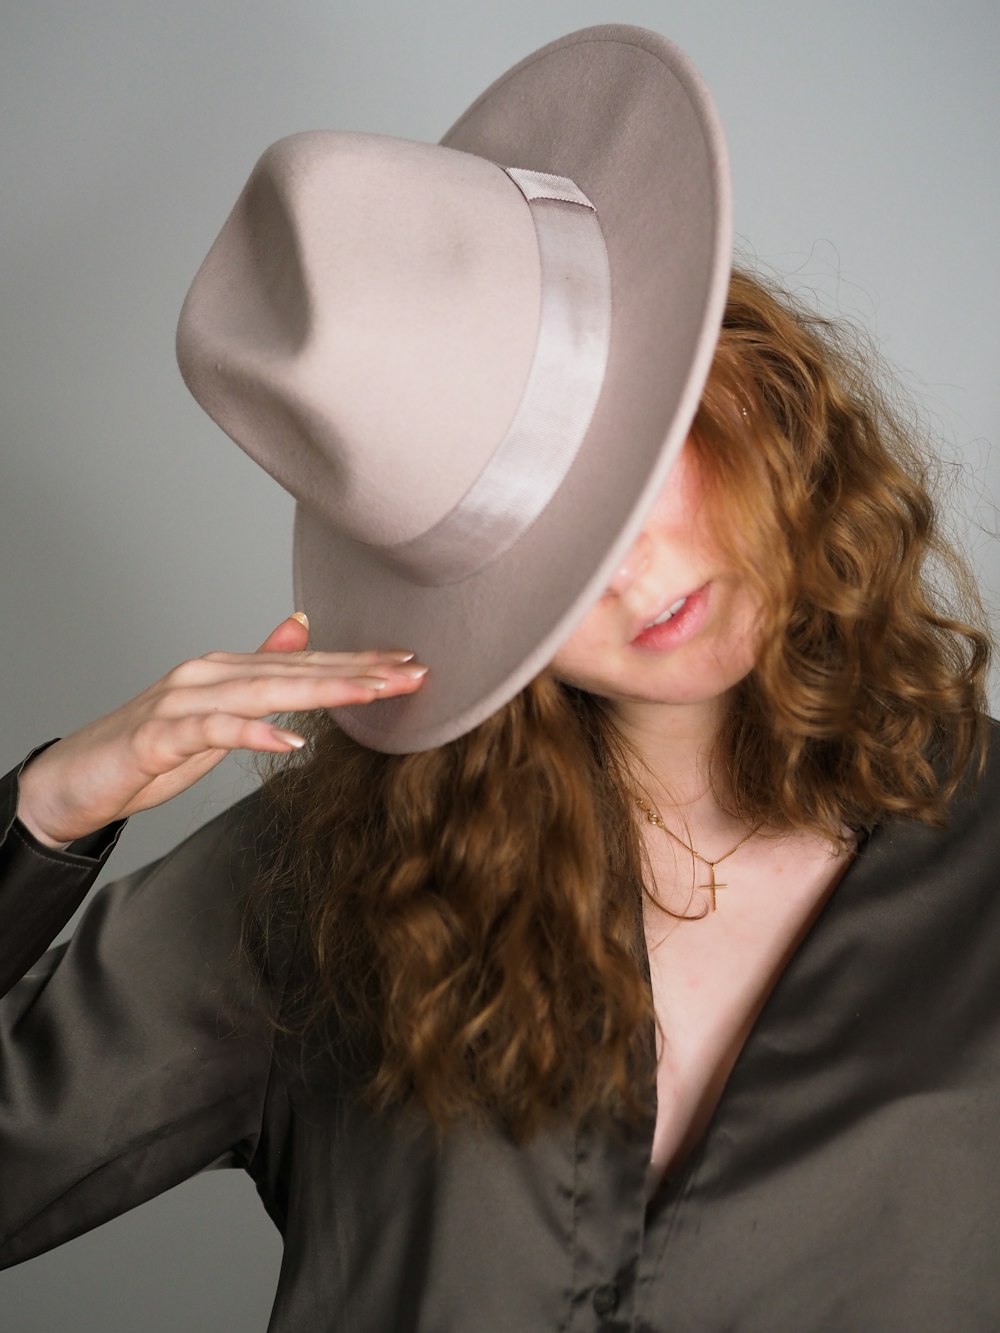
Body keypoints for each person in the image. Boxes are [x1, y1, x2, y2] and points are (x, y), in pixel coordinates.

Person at [1, 24, 996, 1332]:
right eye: (538, 542)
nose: (636, 574)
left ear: (744, 384)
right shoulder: (334, 889)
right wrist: (49, 811)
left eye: (648, 455)